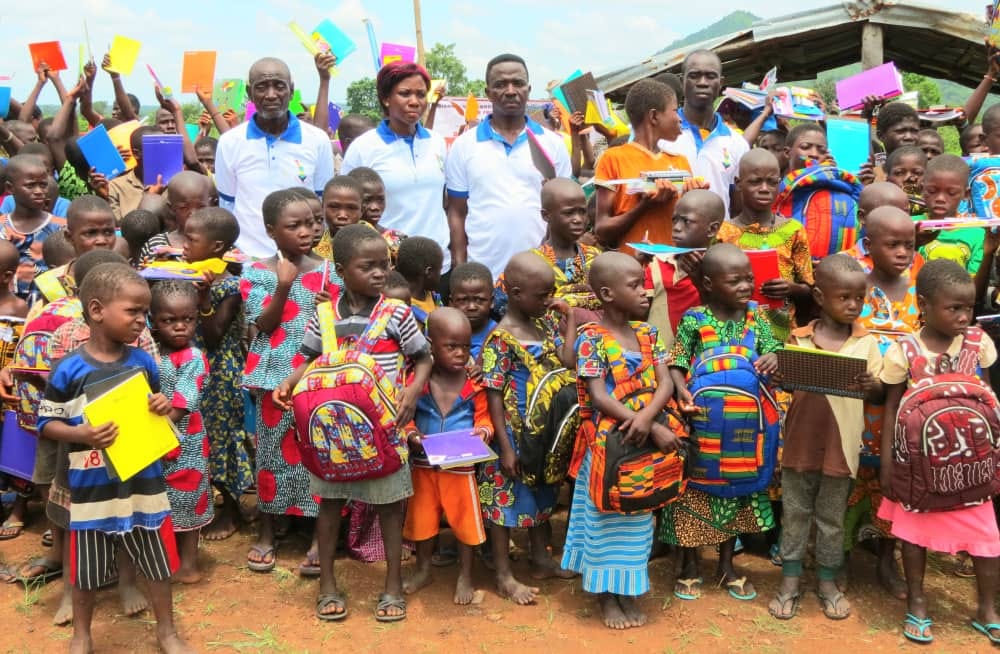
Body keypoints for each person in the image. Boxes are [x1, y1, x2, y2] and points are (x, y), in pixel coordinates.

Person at [274, 223, 432, 622]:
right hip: (331, 431)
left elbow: (424, 357)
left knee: (391, 507)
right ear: (342, 270)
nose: (381, 273)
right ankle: (327, 583)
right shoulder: (324, 315)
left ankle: (392, 584)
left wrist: (411, 393)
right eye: (369, 267)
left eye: (384, 265)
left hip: (384, 427)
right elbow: (309, 359)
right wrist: (289, 383)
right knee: (329, 505)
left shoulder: (398, 312)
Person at [37, 262, 192, 654]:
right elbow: (46, 424)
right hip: (92, 486)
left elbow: (156, 410)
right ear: (96, 310)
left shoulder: (143, 362)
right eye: (134, 311)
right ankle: (82, 635)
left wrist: (162, 405)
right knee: (87, 567)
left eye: (145, 312)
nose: (142, 320)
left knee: (156, 559)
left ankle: (167, 631)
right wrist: (81, 434)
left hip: (143, 478)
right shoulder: (69, 370)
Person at [877, 259, 1000, 645]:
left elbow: (990, 401)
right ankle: (917, 602)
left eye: (969, 308)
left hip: (973, 467)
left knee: (986, 537)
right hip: (919, 469)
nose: (964, 317)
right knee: (914, 537)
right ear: (923, 305)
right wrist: (886, 465)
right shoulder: (905, 351)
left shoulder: (980, 344)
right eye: (954, 308)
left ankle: (987, 608)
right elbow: (892, 408)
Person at [563, 251, 681, 630]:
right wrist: (643, 422)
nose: (646, 291)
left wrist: (648, 421)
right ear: (607, 293)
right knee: (604, 517)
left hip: (643, 446)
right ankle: (606, 596)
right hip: (606, 449)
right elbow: (597, 395)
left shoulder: (649, 334)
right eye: (635, 285)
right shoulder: (590, 339)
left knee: (638, 514)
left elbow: (665, 382)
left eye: (644, 282)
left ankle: (627, 590)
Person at [661, 243, 780, 602]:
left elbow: (776, 351)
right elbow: (677, 364)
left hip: (749, 430)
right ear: (709, 284)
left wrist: (774, 355)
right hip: (703, 425)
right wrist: (681, 392)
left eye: (749, 279)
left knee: (738, 494)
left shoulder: (758, 317)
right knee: (695, 491)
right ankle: (690, 565)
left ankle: (727, 566)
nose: (746, 286)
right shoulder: (695, 319)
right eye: (735, 280)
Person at [769, 254, 883, 621]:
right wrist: (777, 370)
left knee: (831, 518)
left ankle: (828, 581)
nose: (853, 305)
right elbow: (784, 385)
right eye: (844, 297)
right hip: (799, 444)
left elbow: (879, 393)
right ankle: (789, 580)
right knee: (796, 513)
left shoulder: (868, 344)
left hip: (842, 450)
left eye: (859, 298)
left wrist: (873, 385)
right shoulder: (798, 339)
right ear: (819, 296)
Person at [240, 189, 335, 574]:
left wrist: (328, 304)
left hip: (314, 376)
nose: (305, 231)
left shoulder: (329, 271)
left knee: (315, 452)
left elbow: (336, 326)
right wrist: (284, 285)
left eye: (311, 223)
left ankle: (317, 534)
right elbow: (262, 324)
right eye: (293, 225)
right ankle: (267, 529)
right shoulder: (257, 272)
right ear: (270, 230)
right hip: (273, 376)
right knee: (271, 453)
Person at [479, 251, 577, 604]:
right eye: (543, 295)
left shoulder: (547, 325)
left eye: (552, 293)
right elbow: (492, 397)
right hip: (513, 436)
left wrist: (569, 323)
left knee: (541, 495)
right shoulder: (500, 339)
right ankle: (504, 575)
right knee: (505, 505)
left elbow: (568, 363)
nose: (550, 300)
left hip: (545, 436)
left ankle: (540, 559)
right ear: (516, 292)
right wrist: (505, 447)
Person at [841, 206, 920, 600]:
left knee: (894, 483)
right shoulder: (855, 288)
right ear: (868, 245)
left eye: (910, 244)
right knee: (850, 478)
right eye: (893, 244)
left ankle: (887, 559)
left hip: (902, 406)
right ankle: (839, 557)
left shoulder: (921, 289)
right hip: (857, 403)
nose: (903, 252)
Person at [446, 54, 572, 280]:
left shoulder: (553, 144)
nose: (511, 90)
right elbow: (456, 211)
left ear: (529, 89)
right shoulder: (464, 145)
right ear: (488, 93)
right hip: (484, 274)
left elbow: (567, 209)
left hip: (543, 273)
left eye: (518, 83)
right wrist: (461, 267)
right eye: (500, 84)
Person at [400, 308, 490, 605]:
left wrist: (483, 434)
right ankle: (423, 568)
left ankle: (466, 574)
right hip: (423, 465)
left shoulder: (474, 383)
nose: (461, 354)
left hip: (460, 467)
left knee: (464, 521)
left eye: (465, 346)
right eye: (451, 347)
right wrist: (412, 435)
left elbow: (484, 419)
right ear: (430, 345)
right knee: (423, 520)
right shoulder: (417, 382)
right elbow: (405, 417)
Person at [215, 57, 334, 258]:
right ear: (249, 93)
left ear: (291, 90)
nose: (271, 95)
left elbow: (322, 203)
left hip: (304, 261)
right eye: (262, 87)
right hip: (247, 260)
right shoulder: (229, 142)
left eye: (279, 86)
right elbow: (227, 205)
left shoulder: (317, 140)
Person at [182, 207, 252, 541]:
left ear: (216, 246)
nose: (183, 245)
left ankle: (234, 510)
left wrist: (203, 296)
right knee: (200, 435)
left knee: (224, 437)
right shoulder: (185, 275)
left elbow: (213, 335)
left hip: (221, 375)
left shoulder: (231, 287)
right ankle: (203, 502)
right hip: (192, 370)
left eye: (191, 240)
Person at [342, 62, 450, 272]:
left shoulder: (437, 143)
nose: (414, 101)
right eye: (405, 93)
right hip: (389, 267)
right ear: (385, 98)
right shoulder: (364, 147)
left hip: (438, 266)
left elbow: (445, 203)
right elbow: (348, 210)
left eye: (420, 94)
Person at [149, 281, 211, 584]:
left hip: (186, 443)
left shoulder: (194, 357)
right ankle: (163, 559)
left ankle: (189, 563)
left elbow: (183, 405)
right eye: (169, 320)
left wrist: (149, 430)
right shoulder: (149, 353)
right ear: (153, 321)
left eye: (187, 319)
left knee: (189, 499)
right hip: (155, 443)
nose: (179, 327)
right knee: (161, 501)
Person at [717, 149, 814, 341]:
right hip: (733, 333)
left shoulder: (793, 230)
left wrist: (790, 288)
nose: (764, 188)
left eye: (772, 182)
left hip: (782, 333)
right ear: (738, 183)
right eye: (755, 181)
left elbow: (809, 289)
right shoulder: (723, 233)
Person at [593, 79, 692, 252]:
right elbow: (601, 230)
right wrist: (644, 206)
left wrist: (695, 195)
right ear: (654, 116)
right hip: (631, 271)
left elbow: (690, 223)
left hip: (674, 270)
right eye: (675, 111)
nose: (679, 118)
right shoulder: (613, 158)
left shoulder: (680, 162)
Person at [659, 50, 750, 215]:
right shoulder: (657, 135)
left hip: (718, 237)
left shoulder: (737, 144)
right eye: (694, 75)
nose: (702, 82)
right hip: (666, 237)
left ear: (721, 83)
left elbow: (738, 207)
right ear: (682, 81)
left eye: (710, 76)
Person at [495, 178, 600, 319]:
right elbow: (501, 306)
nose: (578, 219)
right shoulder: (529, 264)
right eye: (569, 213)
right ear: (546, 215)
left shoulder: (595, 257)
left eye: (582, 212)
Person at [644, 189, 723, 350]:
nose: (677, 227)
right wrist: (637, 266)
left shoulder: (721, 269)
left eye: (686, 221)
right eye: (675, 220)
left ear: (712, 229)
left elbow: (723, 319)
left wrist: (700, 283)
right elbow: (638, 316)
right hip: (658, 362)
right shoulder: (656, 263)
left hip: (702, 362)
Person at [30, 195, 117, 308]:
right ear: (69, 237)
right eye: (91, 233)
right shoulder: (50, 284)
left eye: (108, 232)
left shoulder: (128, 278)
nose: (101, 241)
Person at [1, 154, 67, 299]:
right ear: (9, 188)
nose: (38, 191)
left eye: (43, 185)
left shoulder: (60, 229)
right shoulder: (2, 228)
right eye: (30, 185)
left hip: (46, 305)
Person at [918, 155, 982, 274]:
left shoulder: (977, 234)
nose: (940, 198)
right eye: (932, 191)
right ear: (922, 189)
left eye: (951, 193)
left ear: (966, 194)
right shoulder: (911, 225)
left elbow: (975, 282)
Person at [137, 172, 212, 264]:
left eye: (201, 207)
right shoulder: (157, 245)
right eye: (184, 208)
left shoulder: (219, 243)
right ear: (171, 208)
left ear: (210, 205)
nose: (194, 214)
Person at [346, 166, 407, 264]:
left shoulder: (395, 240)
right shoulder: (338, 238)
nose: (375, 207)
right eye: (367, 200)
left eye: (380, 200)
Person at [107, 126, 160, 223]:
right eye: (156, 149)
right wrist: (150, 197)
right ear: (136, 154)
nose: (163, 153)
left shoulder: (172, 183)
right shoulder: (116, 187)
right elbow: (122, 229)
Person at [449, 262, 497, 359]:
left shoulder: (498, 335)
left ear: (492, 301)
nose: (471, 307)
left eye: (479, 300)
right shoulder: (444, 334)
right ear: (451, 302)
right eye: (463, 300)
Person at [313, 175, 363, 267]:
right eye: (334, 207)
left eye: (351, 208)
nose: (342, 215)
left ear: (361, 210)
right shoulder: (313, 247)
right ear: (322, 207)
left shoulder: (375, 244)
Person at [395, 236, 443, 326]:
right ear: (428, 272)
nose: (440, 275)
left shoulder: (432, 296)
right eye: (439, 270)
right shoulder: (404, 311)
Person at [884, 145, 926, 213]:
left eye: (917, 173)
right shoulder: (881, 208)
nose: (909, 178)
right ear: (887, 179)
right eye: (899, 173)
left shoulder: (935, 208)